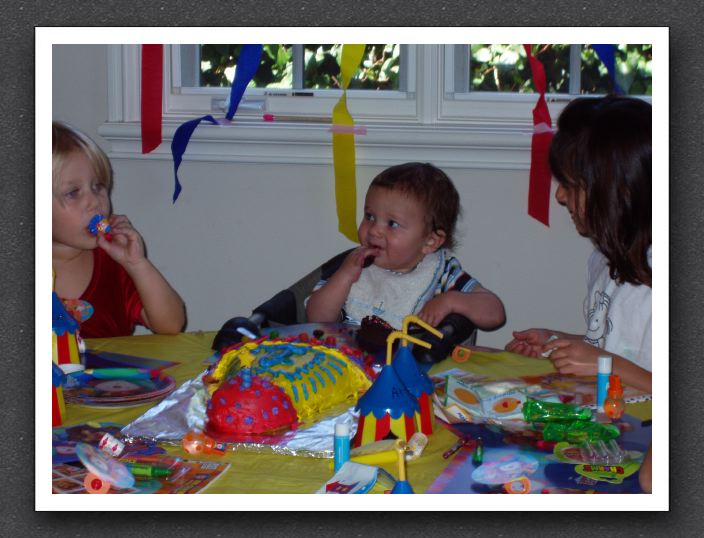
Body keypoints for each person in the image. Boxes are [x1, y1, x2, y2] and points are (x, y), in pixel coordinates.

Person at [505, 96, 652, 393]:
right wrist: (561, 343)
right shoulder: (606, 261)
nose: (559, 196)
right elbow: (617, 346)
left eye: (571, 186)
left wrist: (605, 365)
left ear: (618, 191)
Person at [306, 162, 506, 332]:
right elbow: (315, 318)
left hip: (411, 372)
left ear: (430, 242)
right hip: (345, 366)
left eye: (392, 223)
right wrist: (345, 276)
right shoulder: (354, 264)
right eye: (370, 216)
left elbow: (495, 313)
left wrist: (451, 301)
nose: (375, 230)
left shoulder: (442, 273)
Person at [52, 121, 186, 338]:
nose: (95, 202)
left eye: (97, 186)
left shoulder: (113, 263)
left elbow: (171, 325)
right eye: (73, 192)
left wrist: (136, 264)